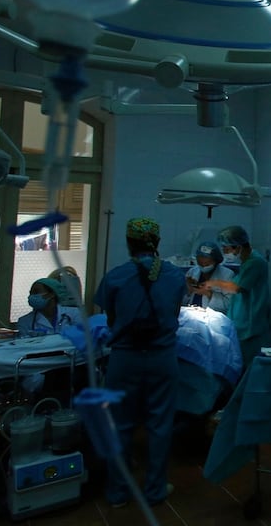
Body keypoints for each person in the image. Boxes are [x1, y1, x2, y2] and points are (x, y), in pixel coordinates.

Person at [95, 217, 187, 508]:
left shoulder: (116, 276)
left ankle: (117, 493)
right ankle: (155, 490)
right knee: (160, 426)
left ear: (128, 243)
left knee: (120, 425)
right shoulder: (174, 275)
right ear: (157, 243)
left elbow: (111, 319)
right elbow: (173, 312)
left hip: (125, 359)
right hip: (162, 358)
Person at [206, 225, 270, 370]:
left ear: (238, 247)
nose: (225, 253)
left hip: (251, 325)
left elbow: (237, 288)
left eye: (227, 249)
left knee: (249, 367)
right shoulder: (246, 262)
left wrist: (211, 283)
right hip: (241, 321)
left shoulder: (255, 263)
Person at [16, 277, 81, 337]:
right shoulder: (25, 321)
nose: (31, 296)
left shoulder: (75, 314)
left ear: (51, 294)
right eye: (30, 293)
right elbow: (25, 345)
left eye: (36, 292)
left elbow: (82, 338)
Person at [183, 240, 235, 313]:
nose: (203, 266)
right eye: (200, 263)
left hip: (213, 318)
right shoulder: (192, 272)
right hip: (192, 314)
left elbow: (229, 305)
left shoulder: (227, 275)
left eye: (207, 264)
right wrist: (189, 291)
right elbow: (182, 302)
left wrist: (208, 294)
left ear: (216, 261)